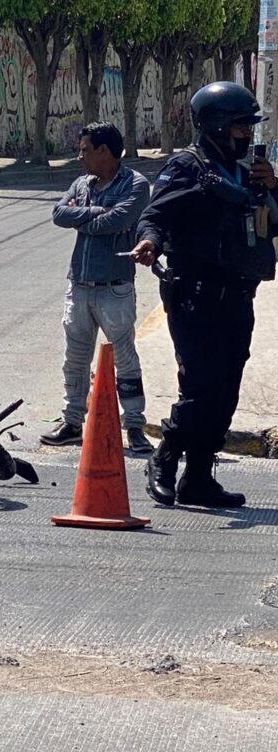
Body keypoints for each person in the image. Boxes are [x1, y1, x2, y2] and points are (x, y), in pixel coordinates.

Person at [133, 81, 277, 509]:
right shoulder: (188, 167)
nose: (246, 134)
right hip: (194, 297)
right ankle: (164, 459)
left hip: (238, 298)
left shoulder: (249, 174)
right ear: (216, 125)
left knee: (226, 392)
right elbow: (155, 215)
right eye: (240, 126)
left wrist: (274, 188)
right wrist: (149, 242)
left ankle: (198, 478)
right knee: (200, 387)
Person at [41, 122, 154, 454]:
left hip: (114, 288)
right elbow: (59, 213)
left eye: (85, 150)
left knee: (125, 359)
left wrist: (82, 219)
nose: (80, 157)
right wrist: (93, 211)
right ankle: (72, 422)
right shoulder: (82, 183)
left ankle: (134, 426)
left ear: (104, 151)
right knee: (75, 360)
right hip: (79, 286)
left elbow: (118, 221)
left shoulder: (135, 184)